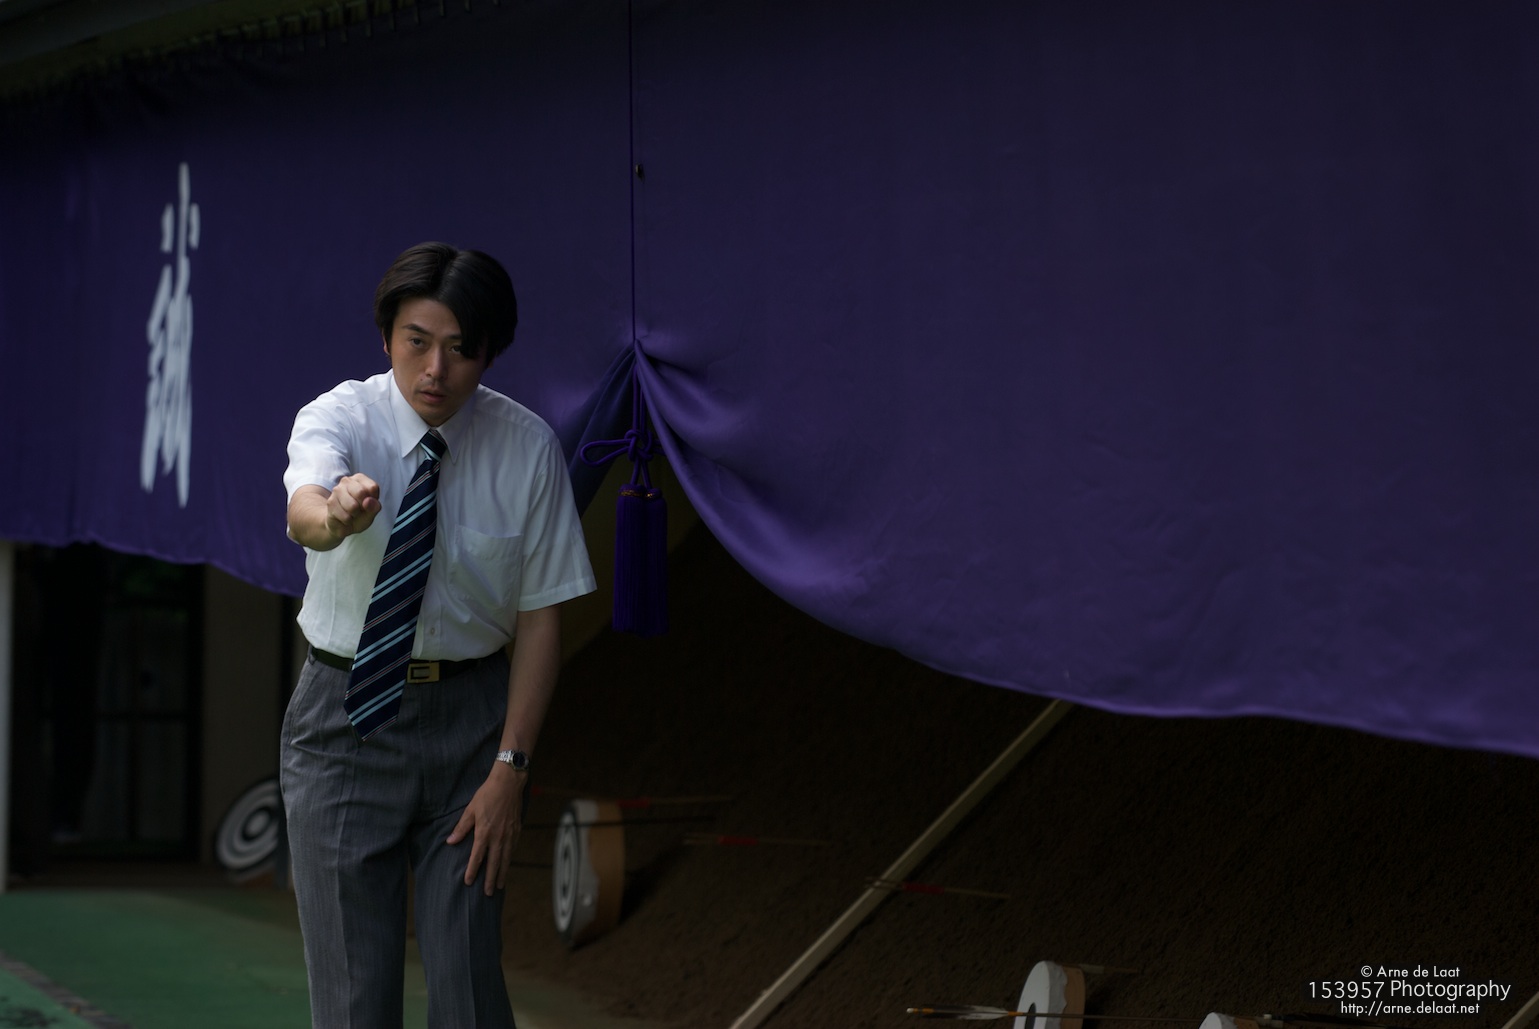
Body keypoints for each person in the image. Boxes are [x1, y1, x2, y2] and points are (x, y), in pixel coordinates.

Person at [281, 242, 595, 1027]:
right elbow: (305, 508)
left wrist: (510, 769)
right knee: (354, 996)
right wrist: (337, 513)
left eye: (459, 349)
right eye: (416, 341)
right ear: (386, 336)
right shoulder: (339, 417)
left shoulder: (526, 448)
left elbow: (541, 617)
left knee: (468, 989)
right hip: (346, 718)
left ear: (489, 353)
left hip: (473, 729)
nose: (435, 369)